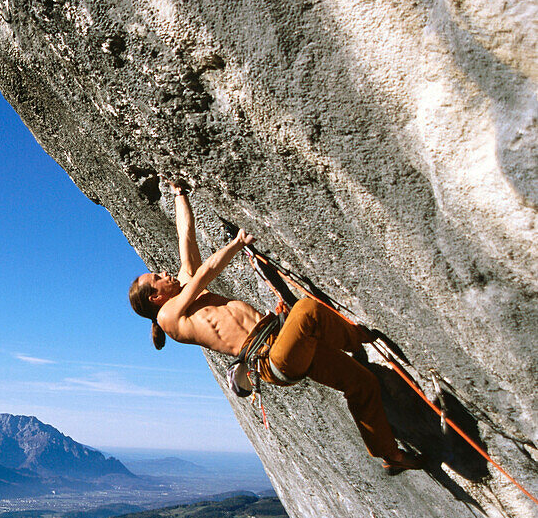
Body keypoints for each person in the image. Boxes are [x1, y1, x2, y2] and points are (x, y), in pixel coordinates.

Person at [128, 180, 422, 474]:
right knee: (307, 310)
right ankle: (360, 337)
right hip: (271, 359)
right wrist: (237, 244)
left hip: (284, 342)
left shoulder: (181, 293)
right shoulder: (169, 317)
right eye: (157, 276)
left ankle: (390, 455)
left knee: (362, 382)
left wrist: (179, 193)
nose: (164, 272)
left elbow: (186, 237)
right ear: (156, 297)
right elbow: (205, 273)